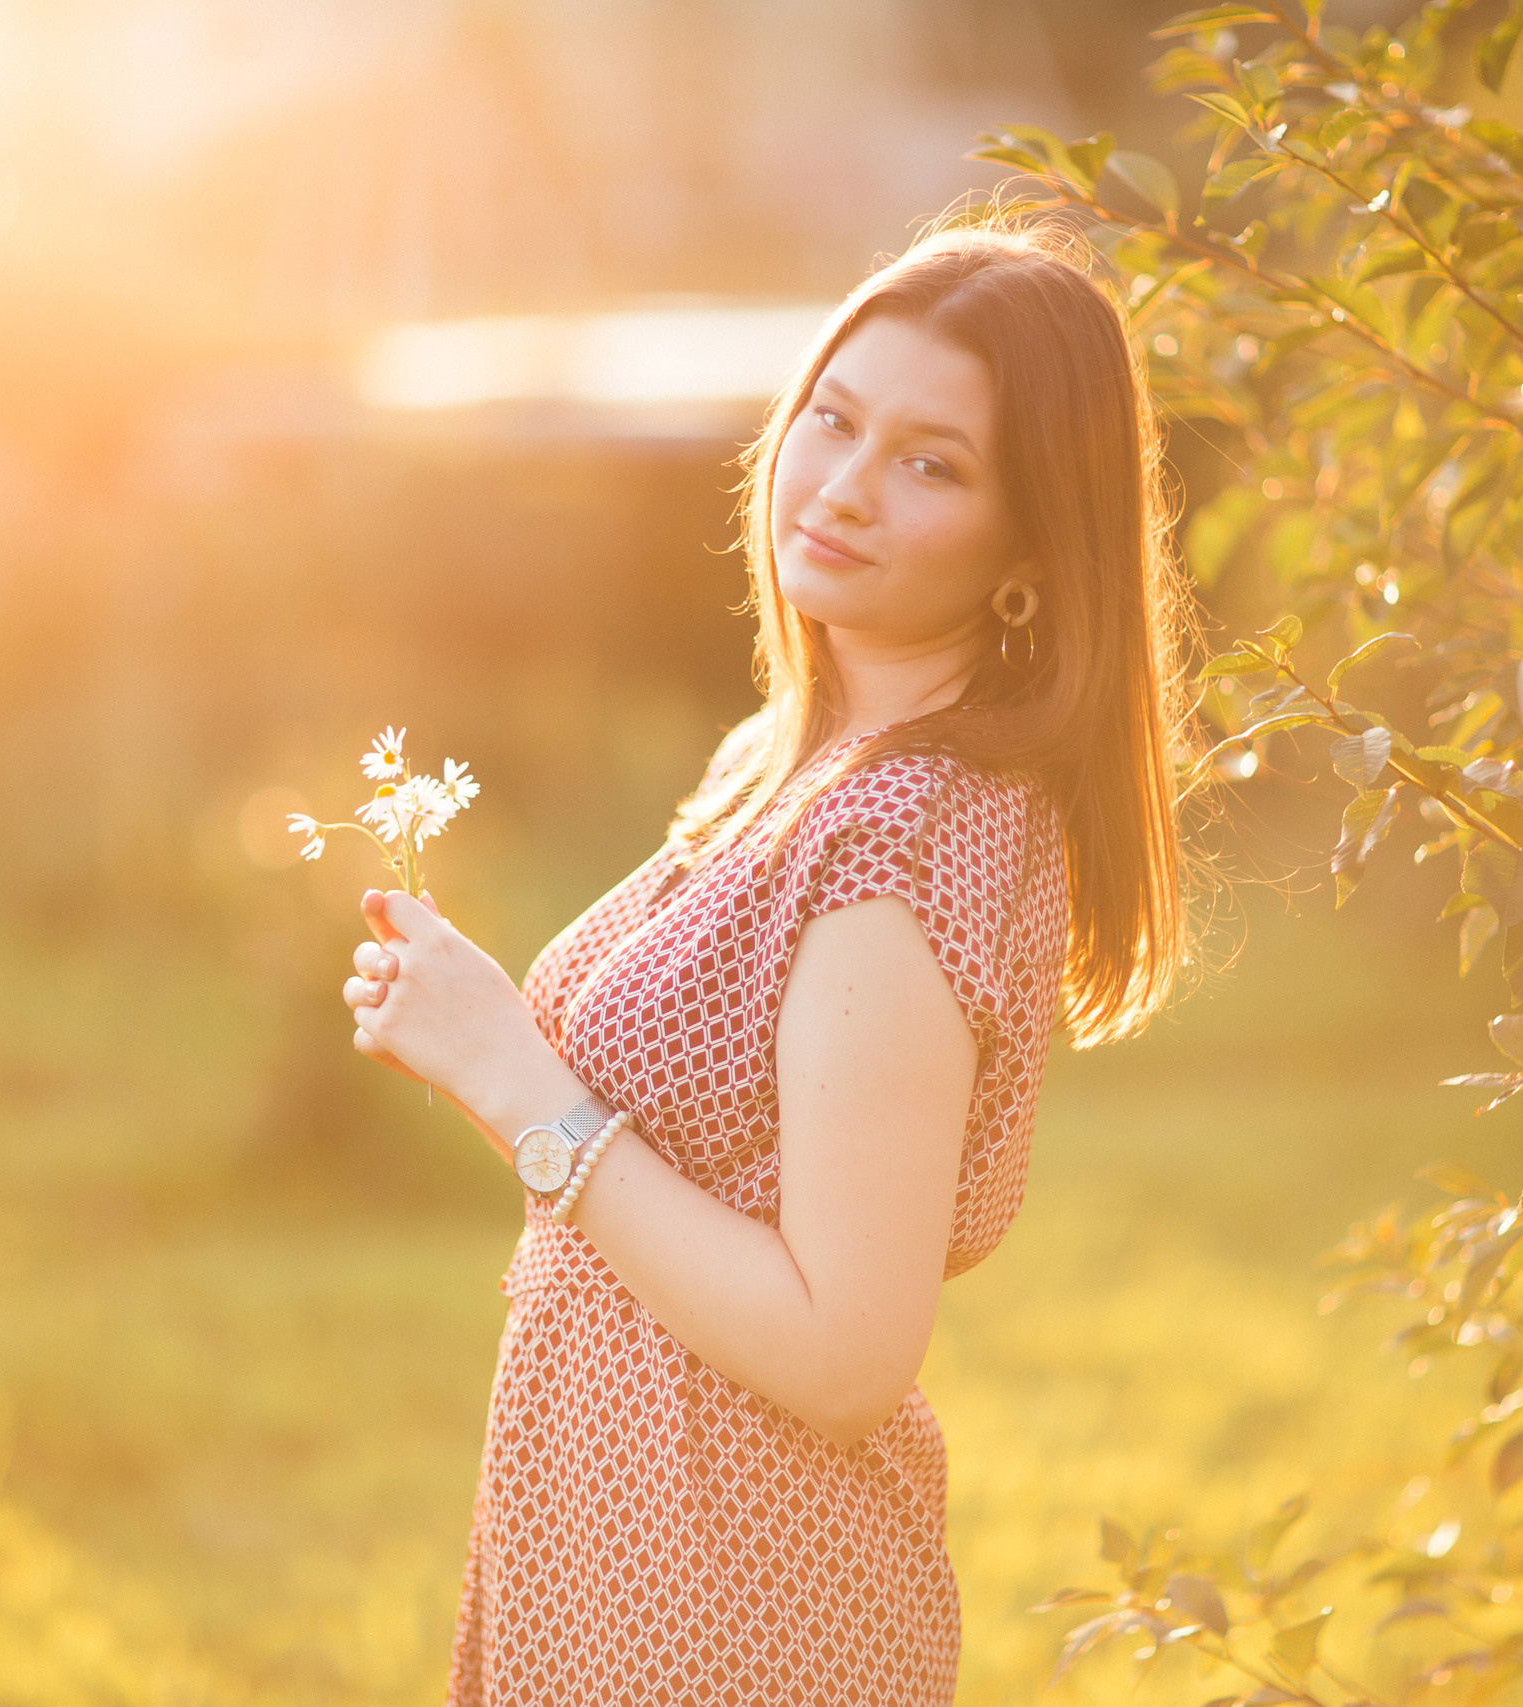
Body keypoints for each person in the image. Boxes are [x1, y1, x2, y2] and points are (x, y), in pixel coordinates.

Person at [338, 221, 1197, 1705]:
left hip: (739, 1607)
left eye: (933, 464)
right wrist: (474, 1052)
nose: (848, 485)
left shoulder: (905, 835)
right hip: (606, 1549)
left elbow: (845, 1352)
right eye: (836, 420)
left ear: (1029, 551)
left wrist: (516, 1076)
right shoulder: (785, 763)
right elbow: (663, 1178)